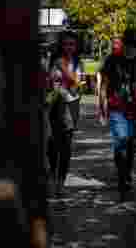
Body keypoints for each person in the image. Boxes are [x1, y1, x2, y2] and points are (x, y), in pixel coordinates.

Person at [99, 28, 136, 197]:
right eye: (129, 45)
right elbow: (104, 86)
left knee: (131, 143)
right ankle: (122, 178)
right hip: (117, 107)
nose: (132, 49)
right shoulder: (112, 60)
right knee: (121, 138)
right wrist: (102, 108)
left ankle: (126, 172)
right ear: (124, 44)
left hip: (135, 108)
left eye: (135, 46)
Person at [46, 31, 82, 196]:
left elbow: (76, 85)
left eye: (72, 44)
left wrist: (64, 71)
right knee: (52, 144)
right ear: (61, 45)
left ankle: (60, 183)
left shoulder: (77, 63)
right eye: (66, 44)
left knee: (66, 147)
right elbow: (49, 82)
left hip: (71, 106)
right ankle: (53, 176)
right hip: (55, 104)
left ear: (76, 46)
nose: (69, 47)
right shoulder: (54, 61)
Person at [96, 38, 123, 126]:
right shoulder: (109, 59)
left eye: (117, 43)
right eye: (114, 44)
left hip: (120, 84)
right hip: (109, 82)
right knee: (104, 95)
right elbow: (104, 75)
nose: (115, 46)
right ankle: (104, 115)